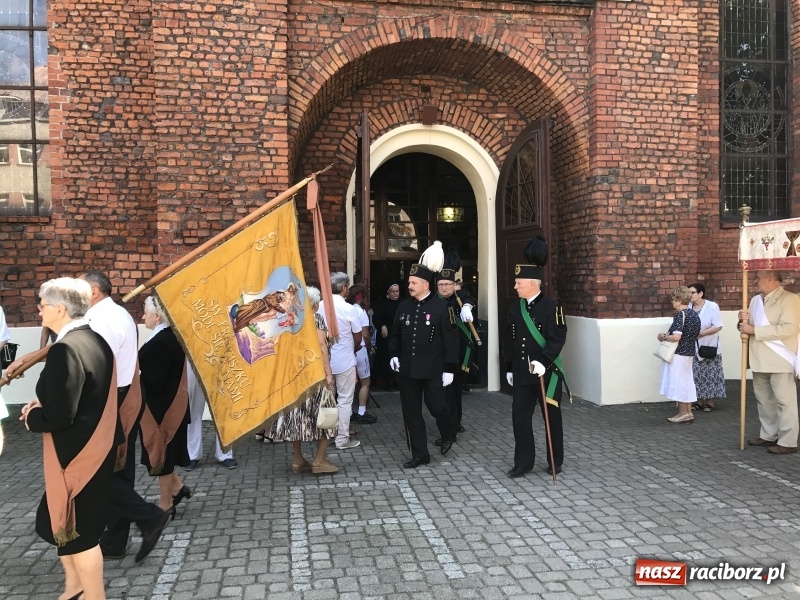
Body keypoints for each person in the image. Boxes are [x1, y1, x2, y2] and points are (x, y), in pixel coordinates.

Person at [20, 277, 116, 600]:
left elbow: (60, 416)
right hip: (94, 449)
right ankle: (75, 587)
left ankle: (94, 596)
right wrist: (45, 404)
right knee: (61, 524)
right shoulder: (96, 340)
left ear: (60, 308)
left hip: (75, 458)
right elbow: (83, 395)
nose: (39, 309)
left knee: (81, 535)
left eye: (42, 304)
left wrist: (33, 418)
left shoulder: (64, 350)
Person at [81, 271, 173, 563]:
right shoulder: (118, 314)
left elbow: (97, 364)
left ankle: (147, 518)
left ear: (94, 291)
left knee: (98, 472)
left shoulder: (100, 319)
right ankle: (115, 539)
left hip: (111, 399)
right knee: (118, 470)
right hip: (124, 395)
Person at [388, 241, 458, 468]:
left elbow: (450, 340)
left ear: (426, 284)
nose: (409, 285)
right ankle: (420, 454)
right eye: (409, 282)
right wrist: (393, 354)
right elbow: (395, 335)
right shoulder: (403, 307)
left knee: (438, 407)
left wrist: (450, 368)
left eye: (413, 282)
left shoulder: (441, 307)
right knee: (411, 412)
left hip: (434, 369)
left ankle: (448, 432)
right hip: (408, 369)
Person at [505, 236, 569, 478]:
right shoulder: (515, 308)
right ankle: (523, 462)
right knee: (519, 418)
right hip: (523, 374)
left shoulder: (553, 308)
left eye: (519, 283)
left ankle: (555, 460)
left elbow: (557, 339)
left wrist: (543, 361)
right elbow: (511, 340)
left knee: (551, 418)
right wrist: (510, 367)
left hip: (546, 374)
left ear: (532, 283)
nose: (515, 287)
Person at [268, 286, 339, 474]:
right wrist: (329, 374)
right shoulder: (315, 319)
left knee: (296, 418)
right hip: (314, 377)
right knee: (328, 415)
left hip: (293, 377)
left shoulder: (288, 320)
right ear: (314, 305)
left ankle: (298, 460)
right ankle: (319, 459)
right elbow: (322, 346)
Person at [738, 270, 800, 454]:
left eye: (759, 278)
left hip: (781, 358)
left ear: (771, 279)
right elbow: (747, 327)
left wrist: (754, 329)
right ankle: (768, 435)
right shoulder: (755, 300)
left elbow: (789, 329)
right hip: (758, 357)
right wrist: (741, 323)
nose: (755, 281)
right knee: (764, 400)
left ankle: (788, 441)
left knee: (784, 401)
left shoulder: (790, 299)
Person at [139, 296, 192, 510]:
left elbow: (155, 380)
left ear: (158, 316)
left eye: (146, 312)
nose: (143, 316)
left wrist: (136, 376)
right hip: (166, 405)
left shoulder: (162, 341)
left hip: (163, 409)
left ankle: (165, 505)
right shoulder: (166, 337)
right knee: (162, 454)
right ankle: (178, 488)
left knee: (162, 456)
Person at [318, 272, 363, 450]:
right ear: (344, 288)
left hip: (324, 359)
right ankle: (342, 439)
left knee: (327, 400)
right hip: (344, 359)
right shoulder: (349, 308)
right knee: (344, 400)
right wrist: (351, 348)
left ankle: (326, 437)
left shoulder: (319, 306)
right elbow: (358, 336)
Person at [437, 249, 477, 437]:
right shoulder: (434, 300)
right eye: (442, 284)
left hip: (457, 351)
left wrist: (468, 305)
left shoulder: (460, 298)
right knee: (442, 393)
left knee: (455, 390)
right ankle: (448, 424)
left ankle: (454, 423)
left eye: (449, 284)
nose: (445, 288)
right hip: (438, 353)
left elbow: (467, 297)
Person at [658, 286, 702, 423]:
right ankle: (688, 412)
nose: (672, 302)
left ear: (678, 300)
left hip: (678, 353)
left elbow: (676, 337)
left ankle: (682, 413)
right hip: (689, 352)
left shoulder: (679, 315)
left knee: (678, 383)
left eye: (673, 299)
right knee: (686, 382)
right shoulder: (694, 314)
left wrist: (664, 337)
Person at [185, 361, 237, 470]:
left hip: (219, 355)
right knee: (193, 408)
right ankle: (192, 454)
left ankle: (225, 453)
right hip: (192, 356)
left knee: (223, 407)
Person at [688, 283, 725, 412]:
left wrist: (702, 334)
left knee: (711, 374)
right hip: (693, 348)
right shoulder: (688, 307)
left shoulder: (712, 306)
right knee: (696, 374)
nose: (690, 295)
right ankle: (698, 400)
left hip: (709, 345)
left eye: (692, 292)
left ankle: (710, 401)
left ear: (700, 294)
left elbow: (718, 325)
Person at [347, 284, 377, 425]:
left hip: (346, 350)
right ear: (361, 296)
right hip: (359, 350)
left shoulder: (346, 309)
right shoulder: (360, 312)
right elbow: (365, 334)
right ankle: (361, 412)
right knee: (365, 382)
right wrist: (370, 346)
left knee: (347, 383)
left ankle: (347, 412)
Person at [372, 282, 401, 391]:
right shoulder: (382, 304)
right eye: (393, 291)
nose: (395, 294)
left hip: (399, 336)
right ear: (388, 292)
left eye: (397, 291)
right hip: (386, 337)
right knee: (386, 358)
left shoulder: (403, 303)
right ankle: (389, 382)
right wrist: (382, 326)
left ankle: (398, 380)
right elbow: (376, 318)